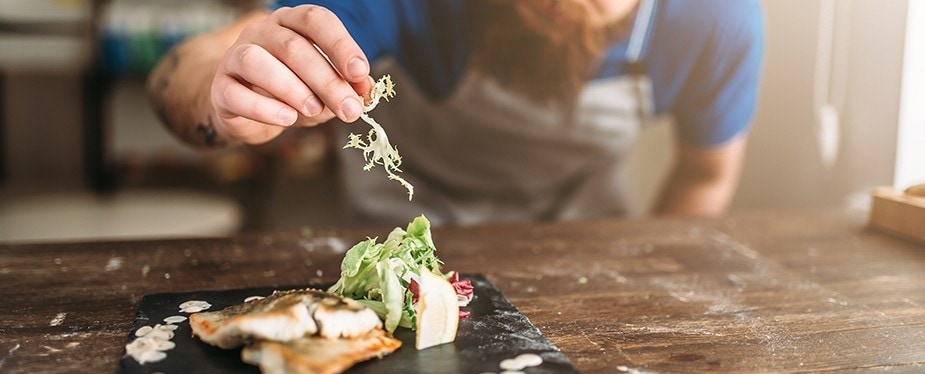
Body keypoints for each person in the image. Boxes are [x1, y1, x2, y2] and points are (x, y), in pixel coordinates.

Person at [147, 0, 764, 226]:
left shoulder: (718, 20)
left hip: (577, 238)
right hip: (402, 230)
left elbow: (705, 174)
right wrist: (222, 97)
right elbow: (183, 68)